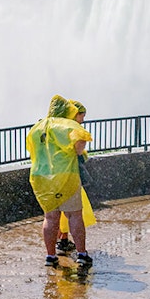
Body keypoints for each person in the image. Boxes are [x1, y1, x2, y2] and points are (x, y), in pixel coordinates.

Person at [26, 95, 93, 270]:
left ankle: (50, 256)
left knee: (50, 217)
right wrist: (76, 151)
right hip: (64, 176)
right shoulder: (64, 125)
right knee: (74, 215)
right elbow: (81, 138)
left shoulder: (37, 127)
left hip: (41, 177)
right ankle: (82, 255)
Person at [57, 99, 96, 254]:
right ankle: (70, 245)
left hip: (56, 176)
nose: (83, 120)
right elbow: (76, 152)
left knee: (60, 211)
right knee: (71, 212)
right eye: (82, 116)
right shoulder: (70, 129)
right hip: (68, 174)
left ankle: (63, 239)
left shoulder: (57, 128)